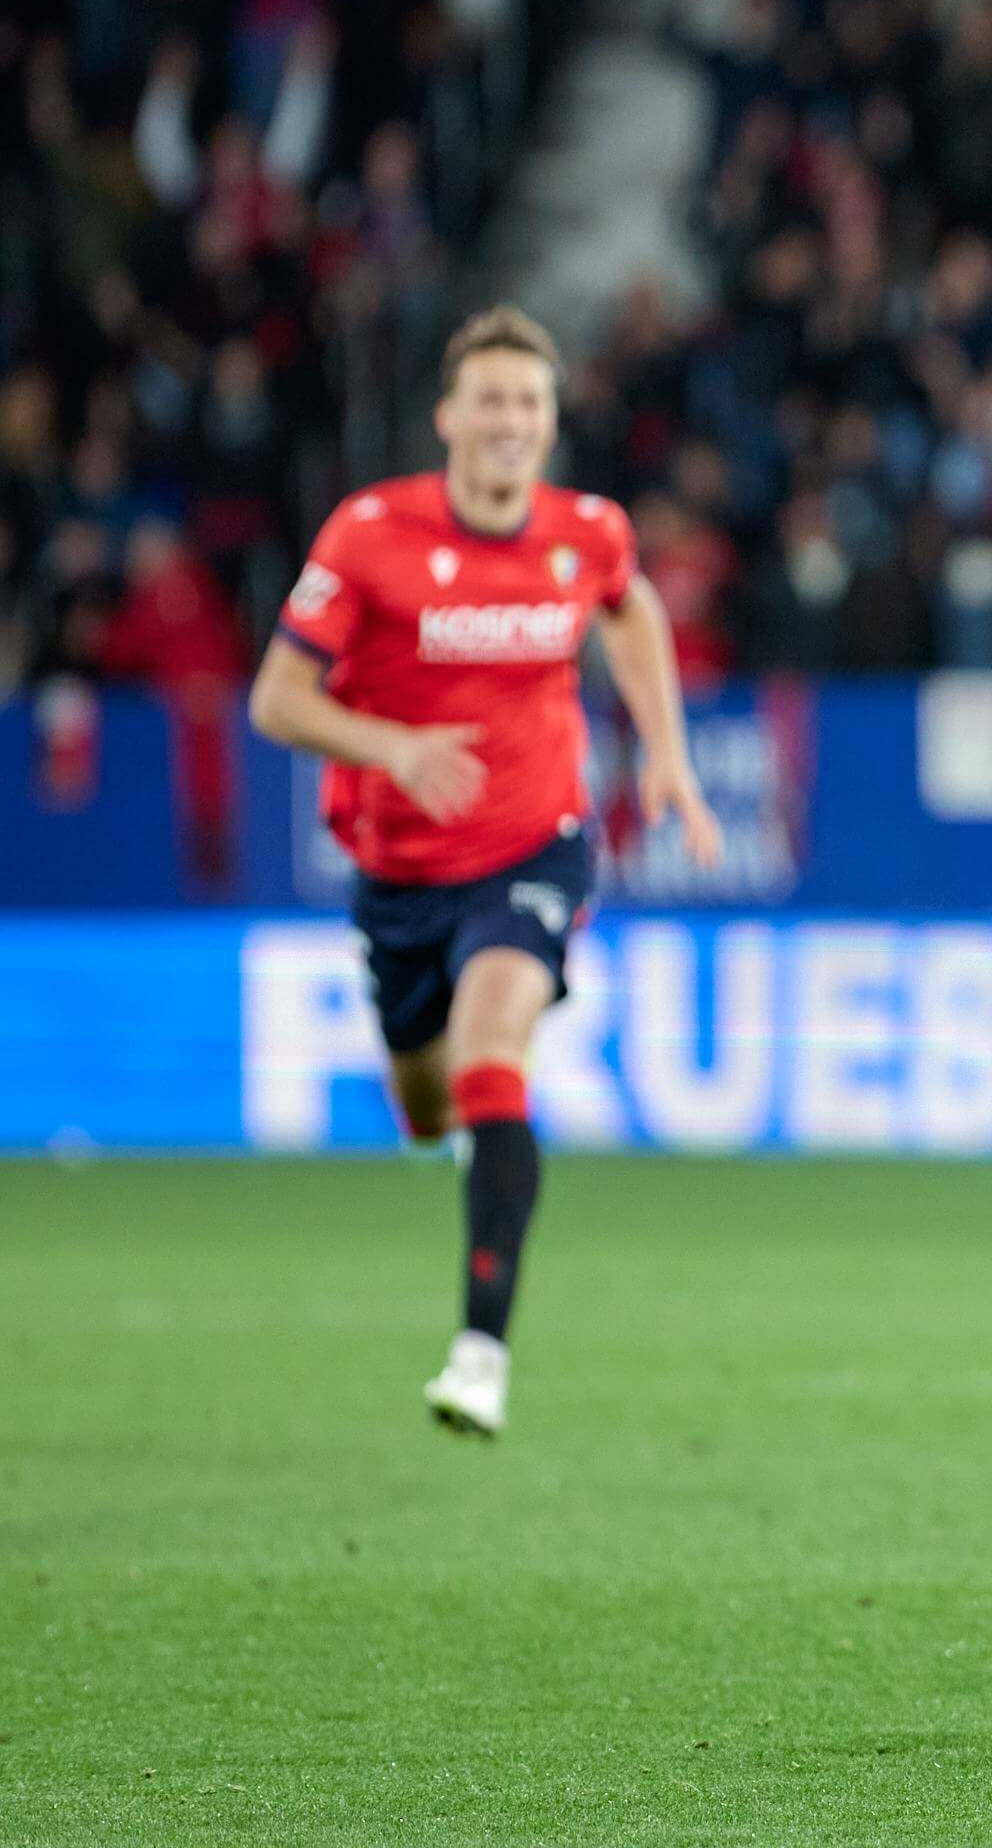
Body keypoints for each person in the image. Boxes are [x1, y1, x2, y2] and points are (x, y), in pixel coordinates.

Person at [247, 306, 721, 1437]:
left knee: (492, 1044)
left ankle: (479, 1351)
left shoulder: (587, 530)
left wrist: (665, 750)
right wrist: (396, 747)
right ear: (450, 415)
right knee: (424, 1099)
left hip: (534, 843)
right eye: (493, 399)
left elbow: (631, 607)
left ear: (550, 424)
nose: (512, 421)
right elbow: (276, 697)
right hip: (400, 865)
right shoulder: (368, 534)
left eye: (531, 403)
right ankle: (453, 1120)